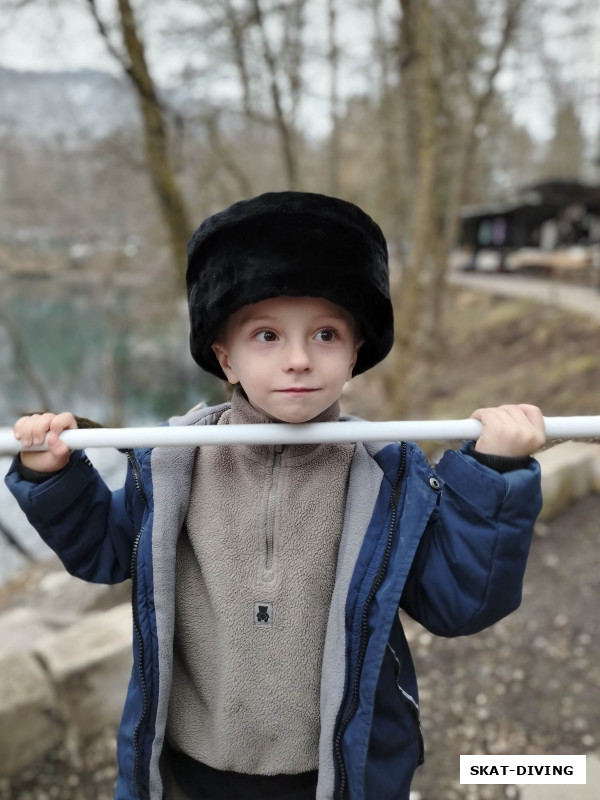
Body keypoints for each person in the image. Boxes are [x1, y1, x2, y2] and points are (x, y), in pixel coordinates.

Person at [5, 191, 545, 800]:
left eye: (324, 333)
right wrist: (53, 476)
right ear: (224, 356)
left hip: (334, 773)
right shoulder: (171, 457)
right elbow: (103, 553)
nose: (297, 360)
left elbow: (458, 605)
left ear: (355, 352)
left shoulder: (388, 469)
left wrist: (494, 474)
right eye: (266, 335)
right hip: (191, 767)